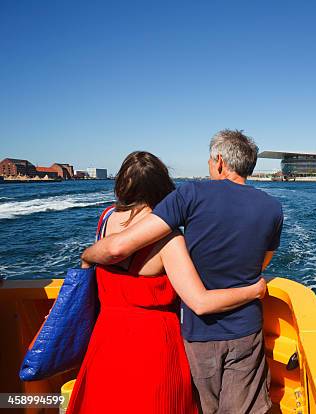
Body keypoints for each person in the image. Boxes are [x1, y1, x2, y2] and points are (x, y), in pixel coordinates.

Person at [81, 130, 284, 414]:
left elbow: (121, 247)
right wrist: (252, 289)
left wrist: (87, 256)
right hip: (243, 329)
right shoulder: (273, 207)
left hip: (191, 336)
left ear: (220, 162)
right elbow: (261, 264)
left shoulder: (190, 194)